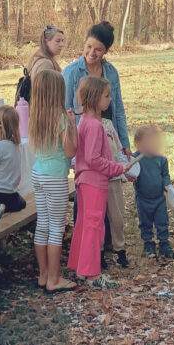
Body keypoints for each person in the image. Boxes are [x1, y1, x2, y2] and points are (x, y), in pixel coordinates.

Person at [67, 76, 134, 287]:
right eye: (106, 95)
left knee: (84, 225)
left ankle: (80, 268)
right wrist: (117, 168)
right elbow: (93, 159)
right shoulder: (95, 125)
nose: (110, 99)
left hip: (84, 181)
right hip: (94, 182)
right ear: (95, 98)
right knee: (94, 227)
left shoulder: (84, 122)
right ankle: (92, 274)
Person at [28, 69, 78, 292]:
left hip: (38, 173)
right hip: (55, 177)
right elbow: (70, 151)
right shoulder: (60, 118)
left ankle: (43, 274)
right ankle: (55, 279)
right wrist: (72, 125)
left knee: (43, 225)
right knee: (57, 228)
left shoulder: (35, 115)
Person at [63, 21, 130, 156]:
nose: (91, 53)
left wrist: (125, 144)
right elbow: (64, 110)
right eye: (89, 46)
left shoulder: (111, 72)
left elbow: (118, 111)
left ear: (106, 51)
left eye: (98, 50)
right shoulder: (71, 73)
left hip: (109, 137)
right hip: (84, 140)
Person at [132, 124, 174, 260]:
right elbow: (130, 173)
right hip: (143, 198)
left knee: (162, 221)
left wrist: (167, 186)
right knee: (145, 222)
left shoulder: (161, 159)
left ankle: (164, 244)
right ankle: (148, 244)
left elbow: (165, 175)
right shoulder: (136, 158)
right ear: (139, 144)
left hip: (159, 199)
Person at [102, 117, 130, 269]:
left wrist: (125, 169)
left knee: (117, 217)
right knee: (98, 219)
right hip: (97, 180)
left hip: (114, 178)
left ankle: (120, 250)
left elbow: (118, 151)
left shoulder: (108, 124)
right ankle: (98, 253)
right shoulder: (84, 124)